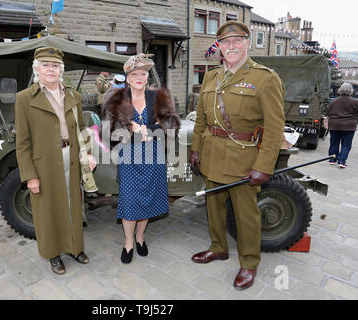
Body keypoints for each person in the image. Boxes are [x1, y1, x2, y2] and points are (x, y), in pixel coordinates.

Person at [189, 21, 285, 290]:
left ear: (247, 43)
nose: (231, 47)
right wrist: (196, 149)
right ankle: (218, 248)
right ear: (219, 46)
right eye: (225, 42)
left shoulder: (265, 78)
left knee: (246, 215)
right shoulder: (211, 77)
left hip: (244, 161)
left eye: (237, 41)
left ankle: (249, 263)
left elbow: (275, 128)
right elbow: (201, 120)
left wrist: (264, 166)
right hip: (211, 155)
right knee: (214, 208)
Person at [15, 47, 96, 275]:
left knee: (72, 205)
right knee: (48, 210)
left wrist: (87, 152)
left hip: (71, 157)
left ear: (61, 70)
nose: (50, 69)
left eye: (55, 66)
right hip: (44, 163)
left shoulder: (73, 95)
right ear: (37, 69)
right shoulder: (24, 99)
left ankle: (75, 248)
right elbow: (22, 141)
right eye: (45, 65)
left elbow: (82, 128)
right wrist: (30, 175)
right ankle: (53, 254)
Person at [105, 54, 180, 264]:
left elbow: (172, 124)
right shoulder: (116, 99)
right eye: (135, 73)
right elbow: (108, 130)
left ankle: (140, 237)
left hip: (153, 157)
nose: (140, 77)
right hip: (129, 158)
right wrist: (130, 127)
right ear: (127, 77)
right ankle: (128, 241)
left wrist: (150, 128)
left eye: (144, 73)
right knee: (130, 201)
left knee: (147, 198)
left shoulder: (159, 98)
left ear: (148, 77)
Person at [327, 82, 358, 168]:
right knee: (346, 144)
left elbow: (328, 112)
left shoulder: (334, 101)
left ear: (340, 90)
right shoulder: (355, 102)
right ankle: (342, 161)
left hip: (335, 125)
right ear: (351, 91)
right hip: (349, 126)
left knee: (334, 142)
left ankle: (332, 159)